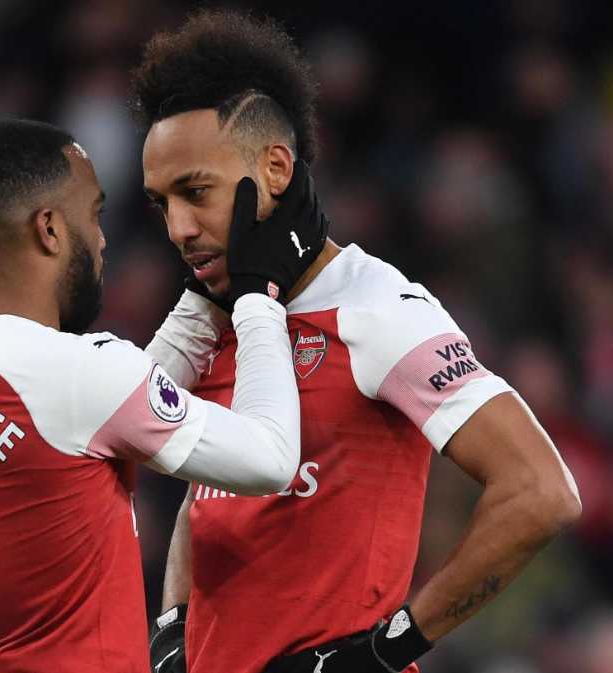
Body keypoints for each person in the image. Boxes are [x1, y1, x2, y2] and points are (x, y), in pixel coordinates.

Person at [132, 10, 583, 673]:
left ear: (276, 168)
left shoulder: (378, 310)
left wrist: (384, 652)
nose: (178, 227)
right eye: (161, 202)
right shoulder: (230, 311)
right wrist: (173, 626)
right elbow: (210, 497)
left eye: (195, 192)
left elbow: (541, 491)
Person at [0, 118, 327, 672]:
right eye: (94, 215)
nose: (103, 239)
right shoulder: (74, 374)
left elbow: (99, 416)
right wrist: (258, 295)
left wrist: (205, 294)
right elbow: (270, 459)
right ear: (49, 229)